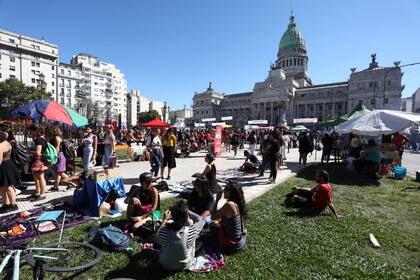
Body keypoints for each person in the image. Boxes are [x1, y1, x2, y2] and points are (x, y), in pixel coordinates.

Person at [156, 200, 205, 271]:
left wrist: (165, 220)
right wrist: (187, 212)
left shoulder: (164, 231)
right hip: (185, 266)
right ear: (186, 216)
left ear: (172, 216)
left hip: (165, 265)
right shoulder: (191, 230)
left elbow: (157, 237)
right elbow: (202, 220)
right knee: (196, 240)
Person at [206, 181, 247, 254]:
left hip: (231, 245)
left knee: (209, 230)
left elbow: (213, 217)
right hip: (240, 241)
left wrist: (217, 199)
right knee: (214, 225)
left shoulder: (229, 204)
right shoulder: (237, 203)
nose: (224, 191)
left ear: (232, 193)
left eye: (226, 189)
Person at [46, 126, 76, 191]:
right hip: (59, 156)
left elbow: (57, 148)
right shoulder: (54, 138)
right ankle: (55, 187)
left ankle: (71, 183)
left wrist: (54, 157)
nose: (47, 132)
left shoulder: (57, 138)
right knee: (58, 172)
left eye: (48, 130)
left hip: (59, 156)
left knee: (60, 172)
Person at [27, 125, 48, 201]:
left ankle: (42, 194)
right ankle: (37, 192)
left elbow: (38, 153)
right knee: (37, 178)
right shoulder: (42, 139)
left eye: (32, 131)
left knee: (40, 177)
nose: (30, 133)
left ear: (37, 132)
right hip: (38, 160)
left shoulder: (39, 140)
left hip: (38, 161)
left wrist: (29, 151)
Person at [0, 132, 20, 213]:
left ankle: (13, 205)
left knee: (8, 187)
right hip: (9, 164)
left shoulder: (0, 146)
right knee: (2, 187)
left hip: (4, 167)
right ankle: (6, 204)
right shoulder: (7, 143)